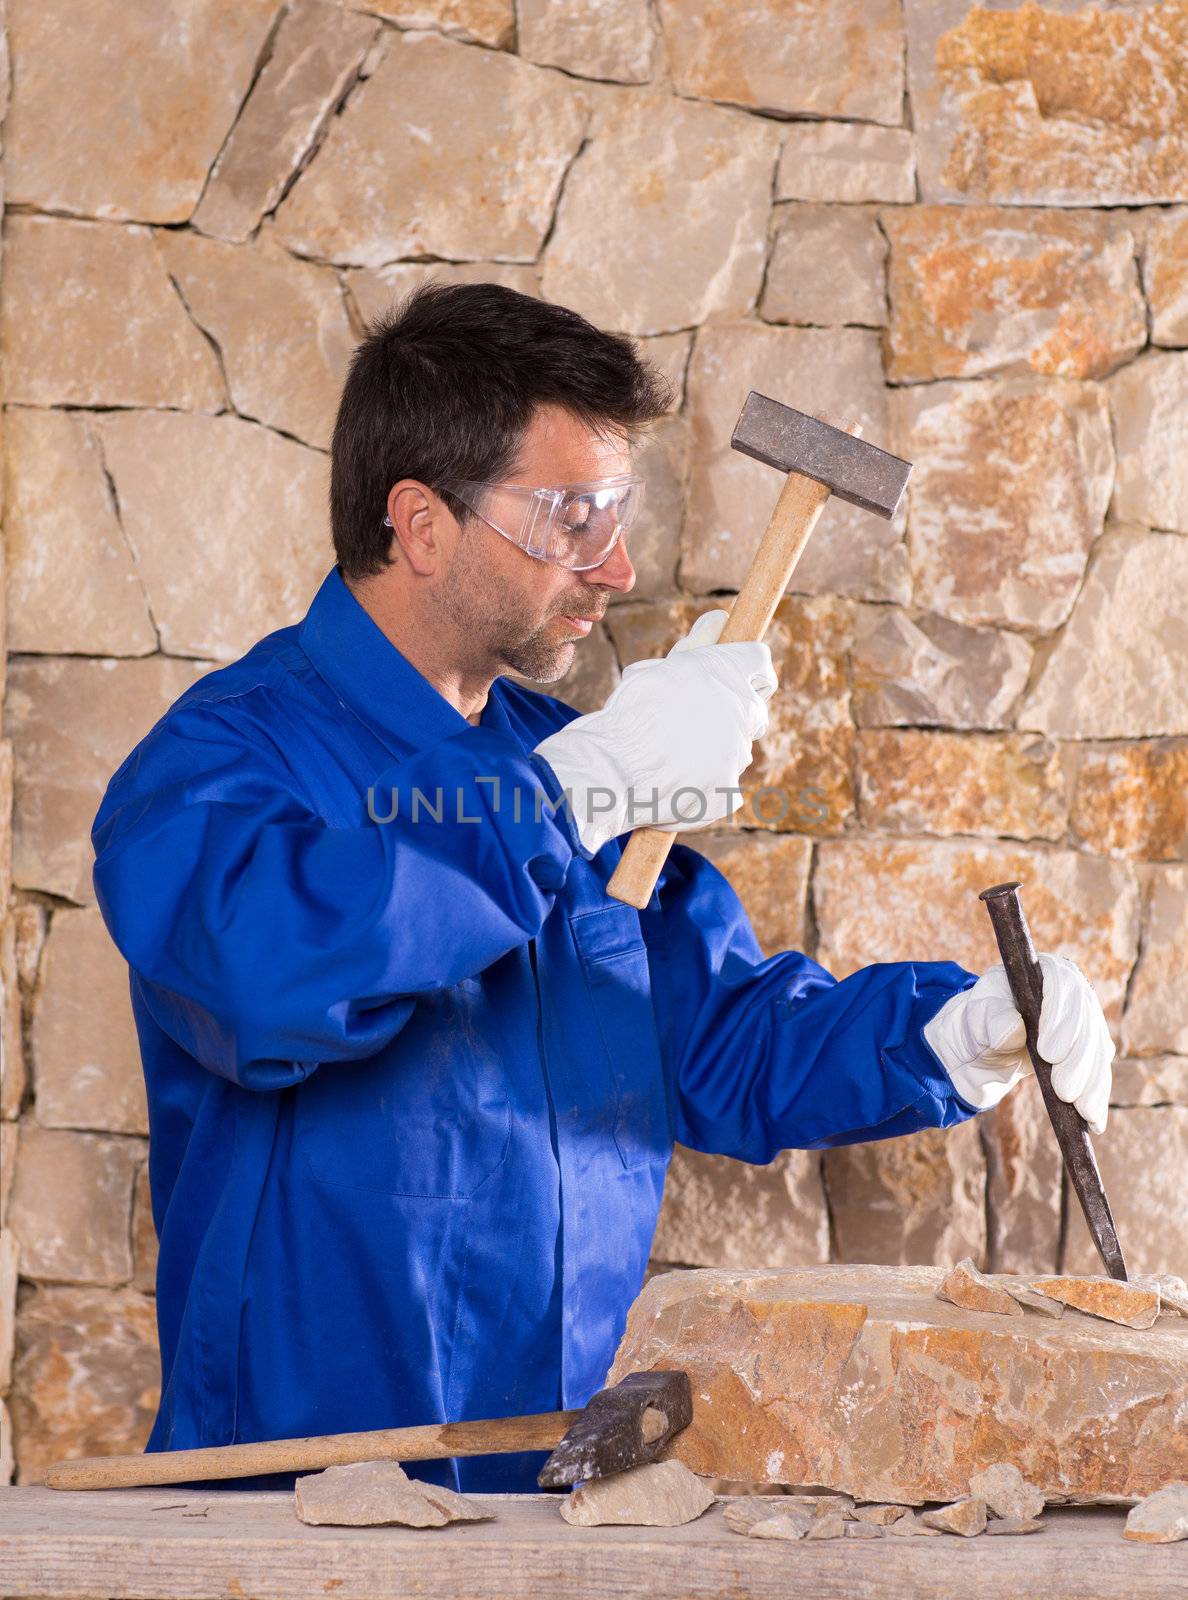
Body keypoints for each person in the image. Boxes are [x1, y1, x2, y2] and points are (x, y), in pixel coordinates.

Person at [91, 281, 1114, 1494]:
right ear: (421, 524)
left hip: (564, 1483)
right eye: (571, 516)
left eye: (616, 512)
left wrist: (949, 1032)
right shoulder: (216, 766)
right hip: (301, 1497)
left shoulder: (571, 761)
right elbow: (274, 973)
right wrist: (577, 787)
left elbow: (722, 1041)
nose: (617, 566)